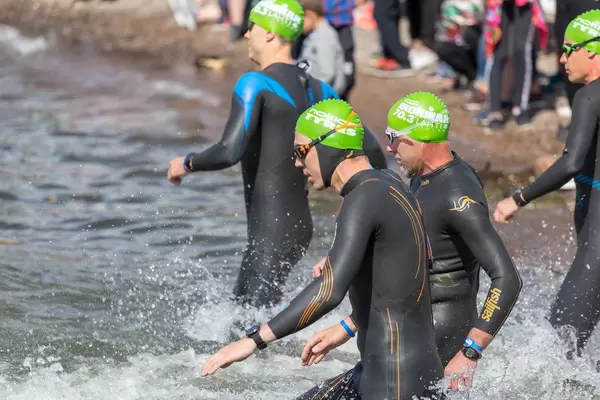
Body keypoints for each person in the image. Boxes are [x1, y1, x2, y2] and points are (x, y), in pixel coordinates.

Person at [201, 99, 444, 400]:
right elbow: (405, 277)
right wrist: (350, 325)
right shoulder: (387, 183)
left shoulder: (363, 198)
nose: (296, 163)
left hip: (392, 385)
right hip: (405, 371)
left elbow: (329, 289)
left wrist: (254, 340)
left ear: (330, 145)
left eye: (301, 151)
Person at [167, 0, 387, 309]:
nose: (246, 35)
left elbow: (229, 150)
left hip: (272, 230)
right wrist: (375, 197)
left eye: (252, 27)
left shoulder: (254, 84)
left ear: (270, 33)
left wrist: (186, 163)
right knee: (247, 319)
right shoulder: (320, 90)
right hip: (297, 228)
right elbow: (372, 148)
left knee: (246, 331)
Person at [312, 92, 522, 392]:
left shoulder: (456, 195)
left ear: (420, 138)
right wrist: (349, 321)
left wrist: (470, 352)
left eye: (394, 137)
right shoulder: (422, 178)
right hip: (412, 326)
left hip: (439, 334)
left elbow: (507, 278)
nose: (388, 146)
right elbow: (405, 267)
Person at [494, 10, 600, 363]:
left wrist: (519, 198)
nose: (562, 58)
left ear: (594, 51)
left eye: (570, 49)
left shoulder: (589, 96)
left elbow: (570, 162)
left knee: (556, 350)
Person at [484, 0, 548, 130]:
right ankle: (494, 111)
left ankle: (520, 107)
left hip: (524, 5)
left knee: (522, 50)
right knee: (498, 53)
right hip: (498, 5)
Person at [298, 0, 347, 95]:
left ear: (310, 15)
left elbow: (327, 75)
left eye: (301, 19)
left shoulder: (325, 37)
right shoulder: (315, 34)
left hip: (321, 99)